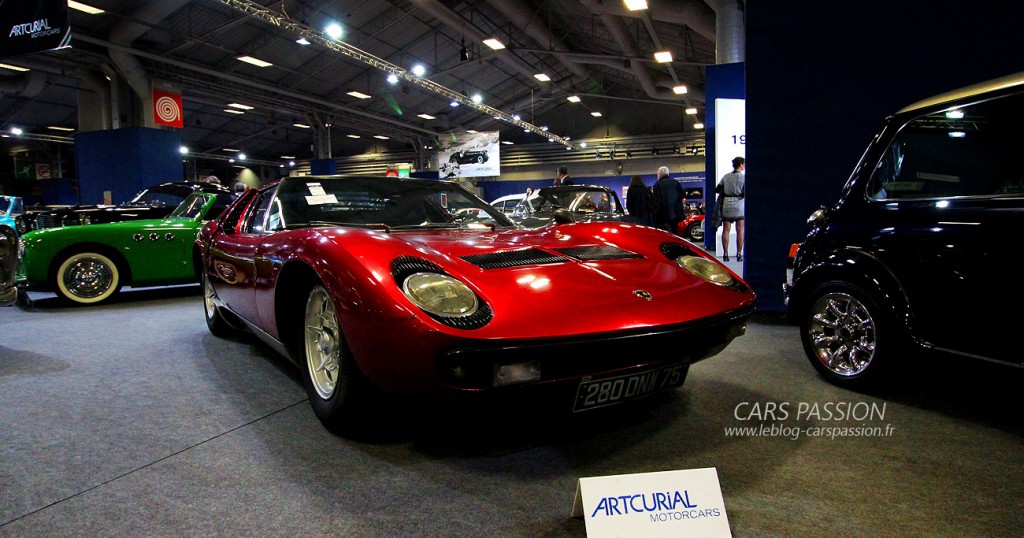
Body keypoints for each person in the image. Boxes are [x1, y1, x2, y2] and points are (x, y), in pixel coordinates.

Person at [719, 156, 746, 261]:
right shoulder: (743, 177)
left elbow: (718, 189)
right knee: (740, 230)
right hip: (739, 204)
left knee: (726, 230)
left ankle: (725, 254)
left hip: (727, 204)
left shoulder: (726, 177)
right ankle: (739, 254)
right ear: (740, 165)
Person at [651, 165, 684, 232]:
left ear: (660, 174)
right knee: (674, 235)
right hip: (675, 215)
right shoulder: (676, 183)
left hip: (663, 217)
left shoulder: (657, 185)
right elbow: (682, 195)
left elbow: (657, 202)